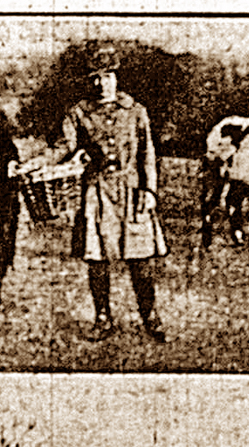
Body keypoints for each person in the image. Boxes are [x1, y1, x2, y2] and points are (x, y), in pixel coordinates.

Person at [61, 42, 168, 342]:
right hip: (96, 192)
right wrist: (29, 165)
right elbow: (62, 146)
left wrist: (150, 190)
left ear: (116, 77)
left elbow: (147, 153)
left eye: (106, 76)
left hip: (132, 189)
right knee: (97, 260)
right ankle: (103, 318)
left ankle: (150, 316)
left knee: (141, 260)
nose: (100, 83)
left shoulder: (135, 111)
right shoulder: (79, 113)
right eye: (94, 77)